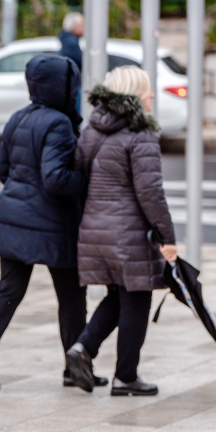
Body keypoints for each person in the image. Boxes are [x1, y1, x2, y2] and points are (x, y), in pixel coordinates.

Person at [0, 53, 96, 390]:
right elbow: (56, 179)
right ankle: (75, 367)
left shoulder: (18, 117)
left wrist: (24, 192)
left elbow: (3, 169)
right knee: (72, 295)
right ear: (63, 86)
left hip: (13, 218)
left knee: (9, 289)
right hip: (54, 225)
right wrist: (87, 181)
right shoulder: (59, 123)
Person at [64, 66, 178, 397]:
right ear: (134, 95)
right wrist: (168, 237)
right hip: (129, 234)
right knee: (137, 298)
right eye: (146, 90)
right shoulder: (141, 134)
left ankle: (82, 347)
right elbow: (151, 192)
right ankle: (126, 377)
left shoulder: (91, 130)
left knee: (118, 295)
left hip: (95, 230)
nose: (151, 95)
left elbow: (81, 175)